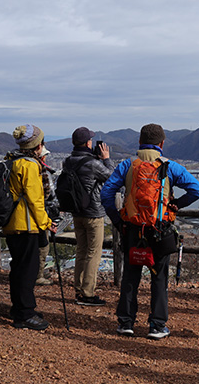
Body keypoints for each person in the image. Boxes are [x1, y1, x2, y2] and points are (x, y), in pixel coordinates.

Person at [101, 123, 199, 339]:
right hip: (160, 231)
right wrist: (177, 205)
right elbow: (197, 190)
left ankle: (126, 322)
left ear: (139, 142)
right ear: (162, 143)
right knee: (159, 277)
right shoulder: (170, 166)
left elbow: (106, 193)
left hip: (133, 230)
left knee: (130, 276)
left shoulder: (128, 164)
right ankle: (157, 325)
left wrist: (118, 220)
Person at [2, 124, 57, 330]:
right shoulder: (29, 165)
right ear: (36, 145)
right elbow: (35, 199)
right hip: (26, 224)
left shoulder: (11, 160)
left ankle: (19, 308)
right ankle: (25, 313)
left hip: (11, 223)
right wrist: (46, 223)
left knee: (18, 267)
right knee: (28, 269)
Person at [63, 127, 113, 306]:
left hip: (77, 212)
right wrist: (106, 159)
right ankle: (88, 293)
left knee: (81, 251)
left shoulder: (68, 161)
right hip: (93, 213)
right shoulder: (92, 164)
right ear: (88, 143)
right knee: (94, 253)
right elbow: (111, 177)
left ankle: (79, 289)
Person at [36, 145, 59, 286]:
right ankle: (38, 275)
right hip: (41, 214)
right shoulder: (43, 172)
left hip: (23, 216)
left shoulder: (20, 165)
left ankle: (28, 273)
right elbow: (50, 194)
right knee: (42, 246)